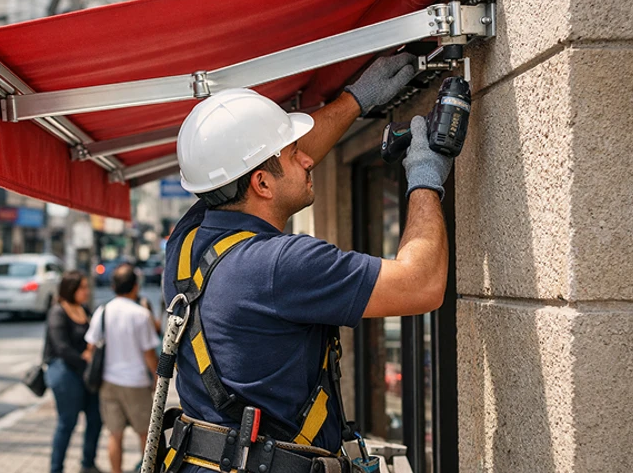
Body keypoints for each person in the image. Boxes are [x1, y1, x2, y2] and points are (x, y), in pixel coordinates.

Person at [160, 54, 454, 473]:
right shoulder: (282, 265)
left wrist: (356, 100)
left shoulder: (187, 241)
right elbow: (421, 283)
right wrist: (425, 178)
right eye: (296, 152)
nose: (308, 159)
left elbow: (260, 163)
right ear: (261, 184)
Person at [85, 264, 159, 473]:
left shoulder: (103, 311)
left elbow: (90, 346)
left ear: (113, 286)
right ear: (135, 287)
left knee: (114, 434)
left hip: (108, 382)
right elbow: (149, 354)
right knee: (146, 434)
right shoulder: (141, 314)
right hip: (136, 382)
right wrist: (156, 379)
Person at [43, 271, 102, 473]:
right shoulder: (58, 311)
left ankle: (88, 463)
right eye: (82, 288)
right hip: (65, 371)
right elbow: (61, 347)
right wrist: (84, 357)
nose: (86, 291)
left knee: (95, 418)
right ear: (71, 289)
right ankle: (56, 468)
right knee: (67, 422)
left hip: (86, 372)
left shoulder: (84, 309)